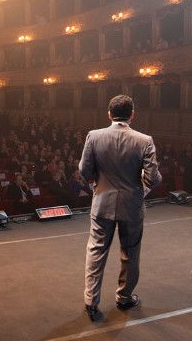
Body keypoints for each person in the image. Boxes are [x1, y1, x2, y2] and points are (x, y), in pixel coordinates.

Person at [78, 95, 161, 321]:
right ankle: (124, 297)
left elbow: (84, 171)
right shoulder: (145, 140)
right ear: (132, 114)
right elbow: (153, 178)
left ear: (108, 113)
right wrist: (141, 190)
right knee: (130, 253)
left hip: (102, 201)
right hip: (132, 205)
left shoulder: (94, 136)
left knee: (96, 251)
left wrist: (97, 184)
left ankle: (90, 301)